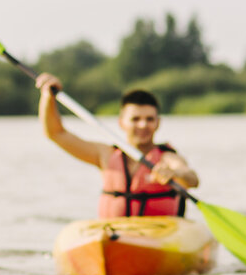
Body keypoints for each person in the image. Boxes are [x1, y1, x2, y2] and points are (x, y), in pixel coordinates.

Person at [36, 74, 199, 218]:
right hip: (116, 234)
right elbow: (56, 134)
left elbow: (192, 179)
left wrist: (175, 173)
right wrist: (47, 97)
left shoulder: (167, 157)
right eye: (135, 119)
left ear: (158, 123)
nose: (143, 125)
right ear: (121, 123)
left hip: (160, 235)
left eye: (149, 119)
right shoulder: (105, 154)